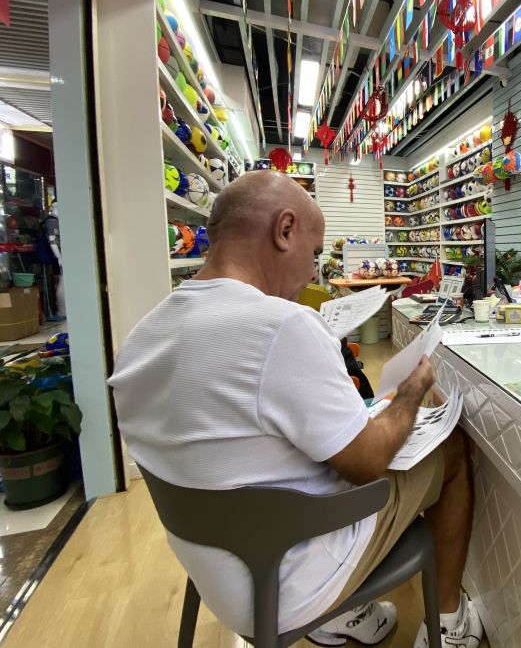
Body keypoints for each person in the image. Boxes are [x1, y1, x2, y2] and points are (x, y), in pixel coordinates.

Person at [109, 171, 482, 648]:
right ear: (284, 230)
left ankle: (347, 615)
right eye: (316, 253)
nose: (312, 274)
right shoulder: (282, 325)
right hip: (287, 579)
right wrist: (412, 390)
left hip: (213, 570)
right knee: (451, 448)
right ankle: (449, 624)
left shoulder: (143, 335)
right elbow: (367, 463)